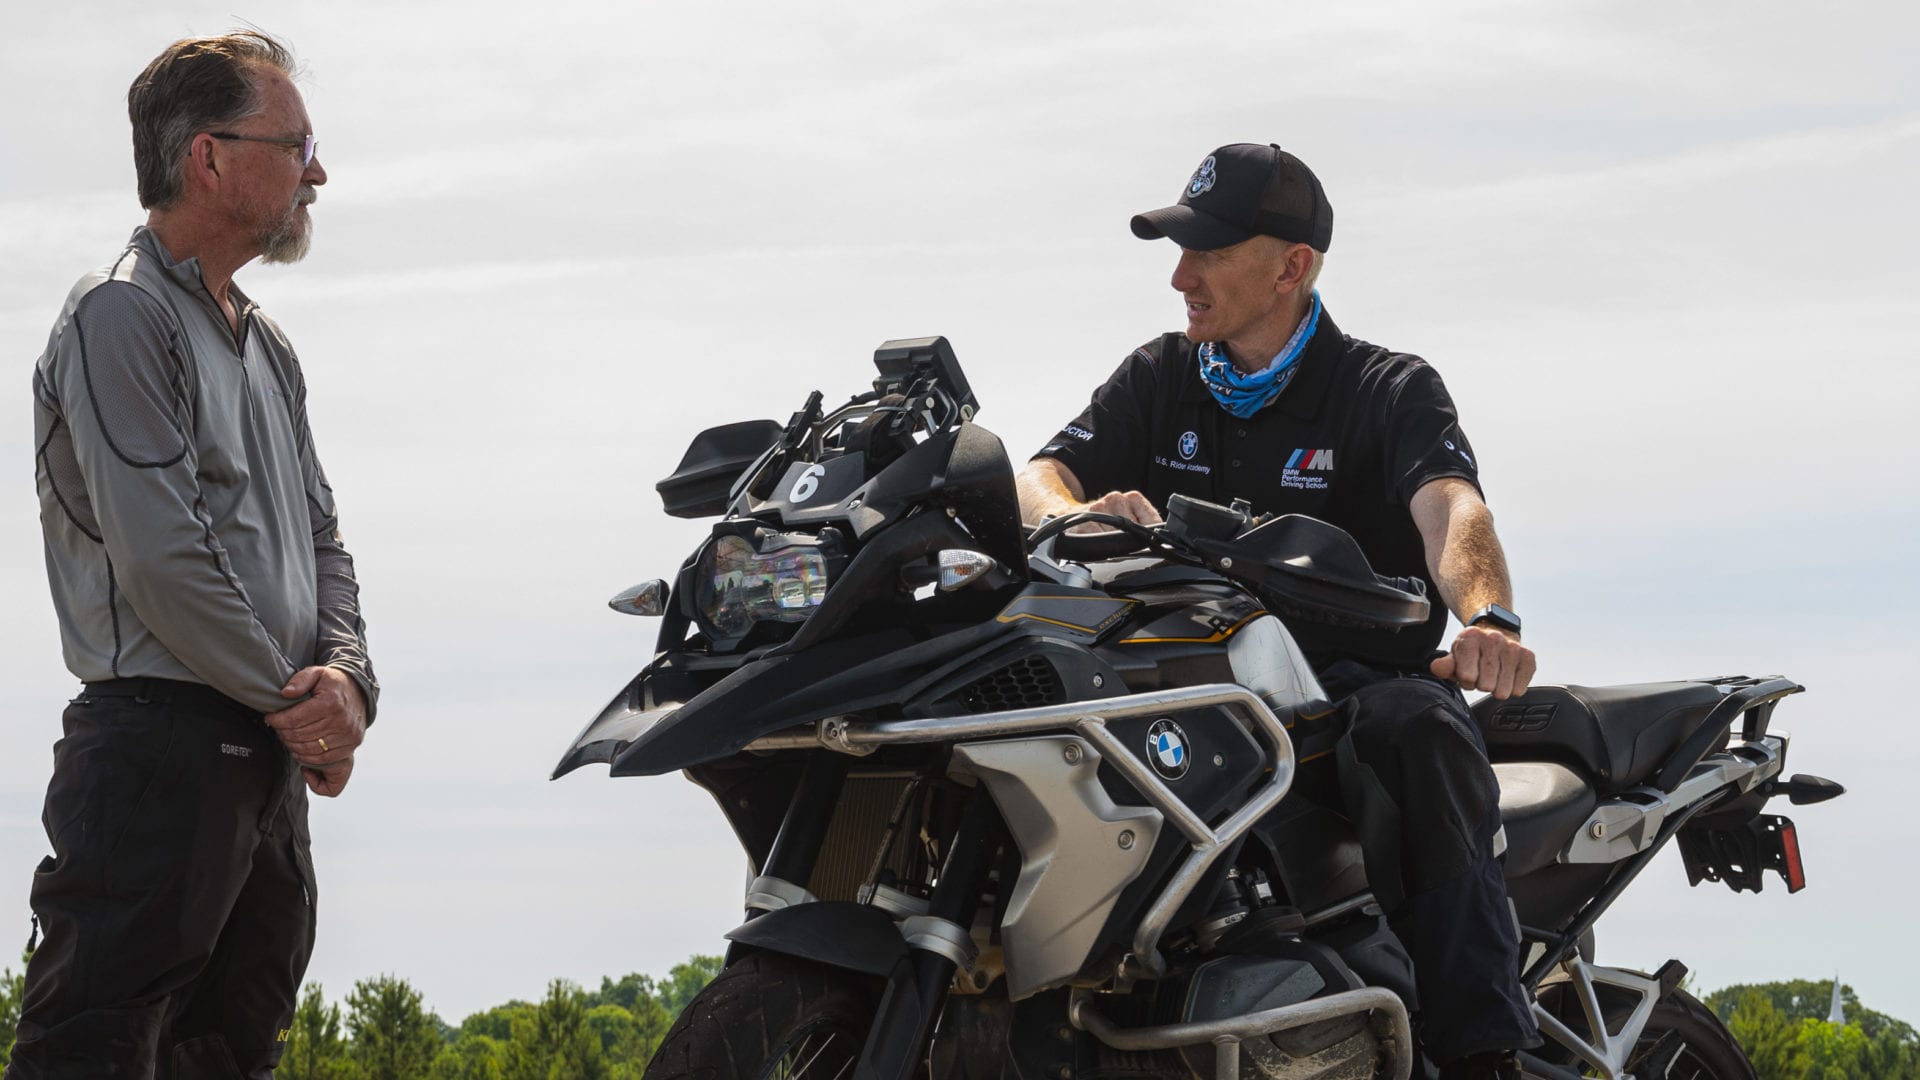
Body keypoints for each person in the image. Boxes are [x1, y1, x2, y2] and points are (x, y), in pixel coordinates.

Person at [1017, 143, 1540, 1078]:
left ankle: (1482, 1047)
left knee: (1413, 723)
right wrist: (1074, 514)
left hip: (1341, 704)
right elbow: (1040, 475)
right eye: (1180, 250)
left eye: (1209, 252)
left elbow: (1452, 507)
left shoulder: (1386, 388)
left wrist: (1487, 618)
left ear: (1292, 266)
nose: (1181, 277)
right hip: (1192, 696)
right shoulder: (1162, 376)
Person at [13, 31, 376, 1077]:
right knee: (97, 1050)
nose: (318, 171)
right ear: (206, 157)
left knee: (233, 1051)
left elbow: (323, 538)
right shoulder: (119, 315)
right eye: (297, 144)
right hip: (158, 747)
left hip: (265, 757)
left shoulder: (270, 348)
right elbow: (163, 556)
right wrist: (300, 707)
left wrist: (350, 682)